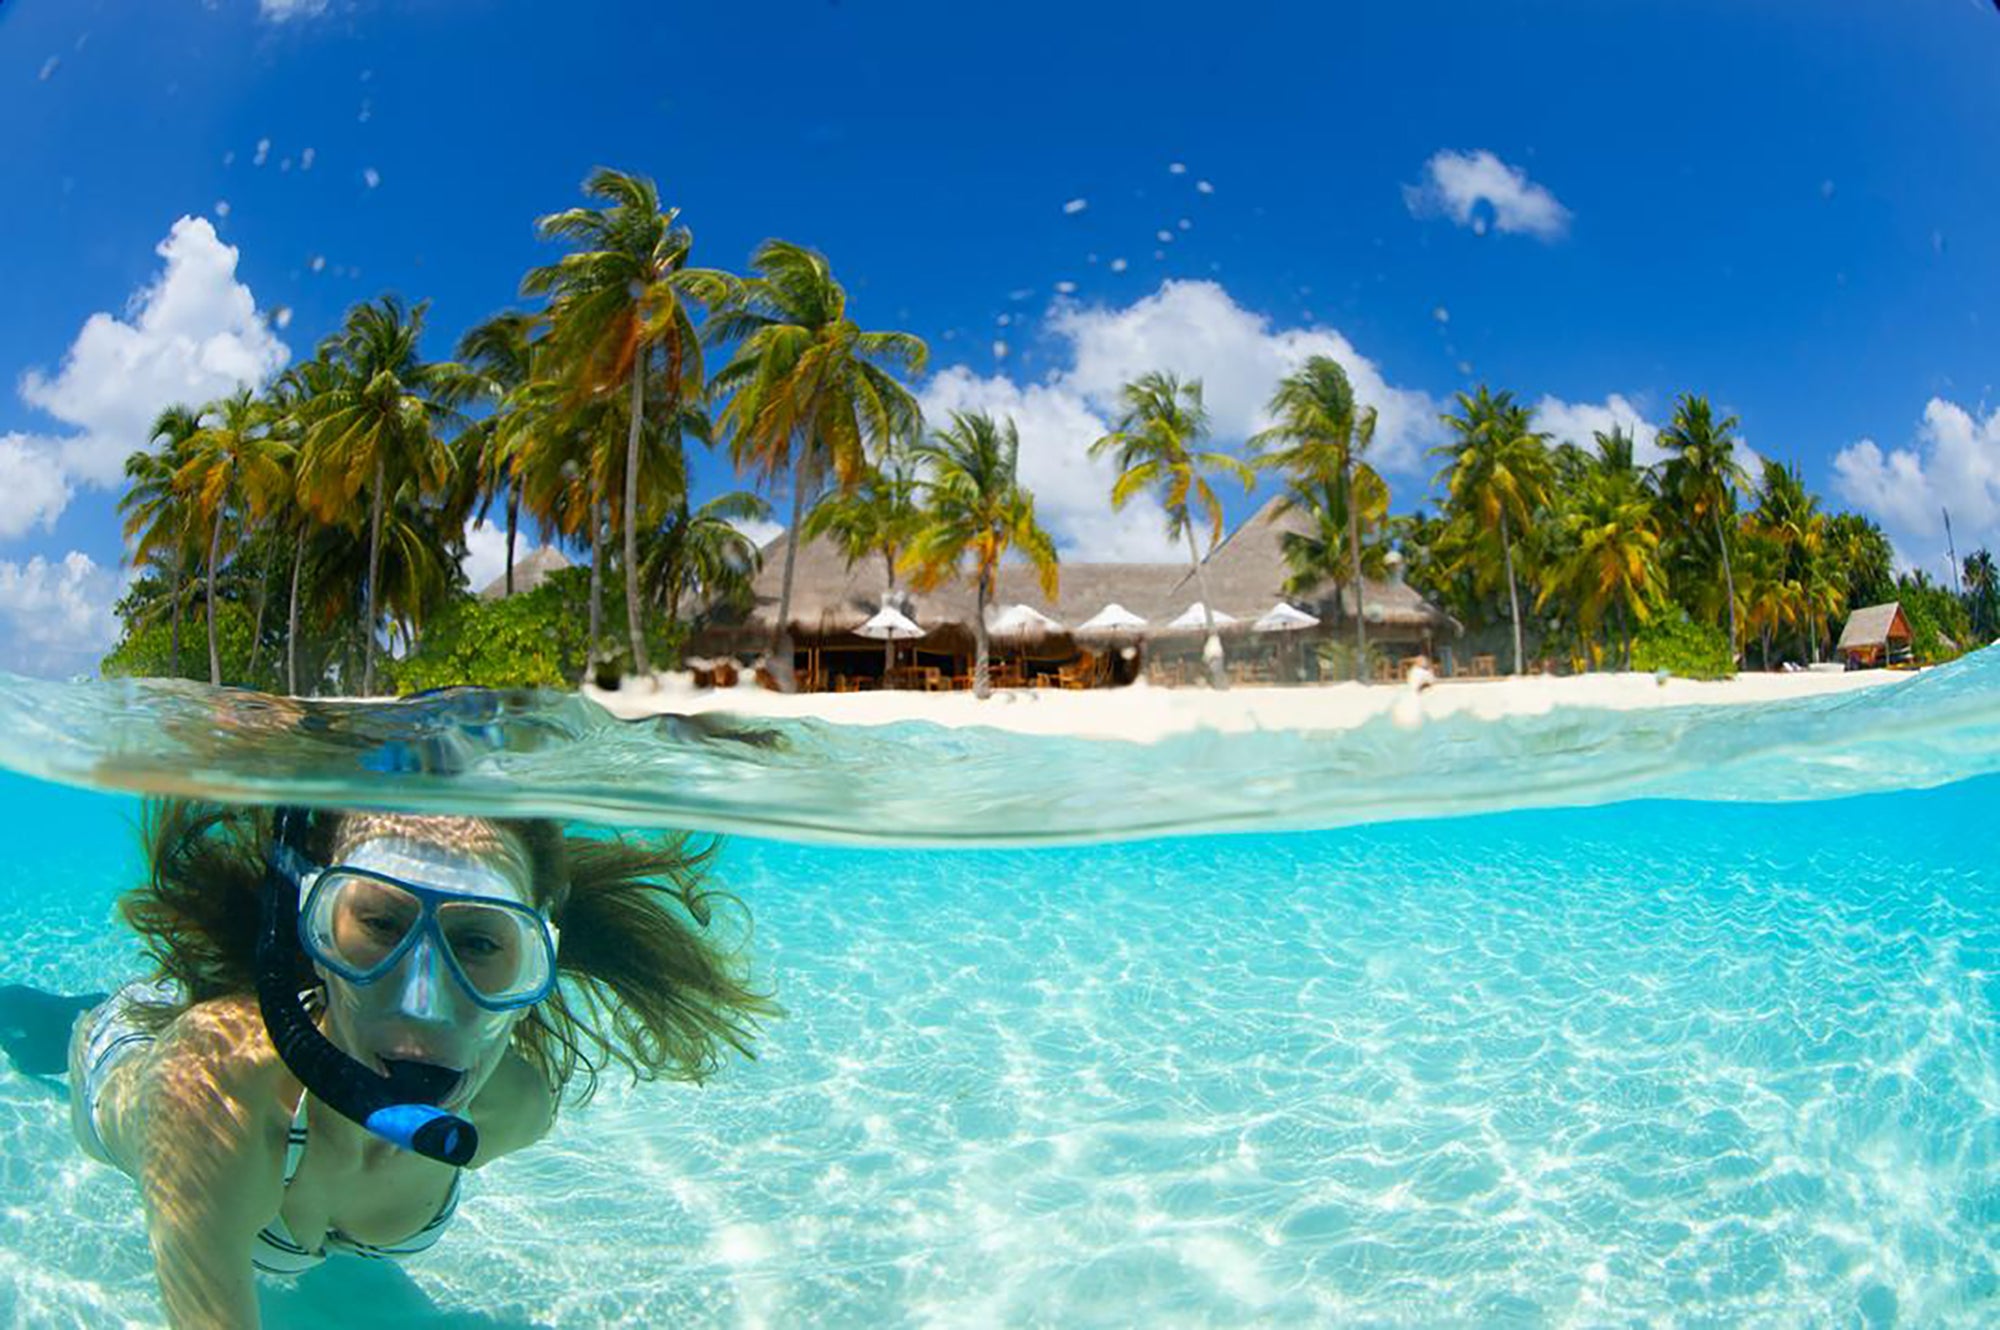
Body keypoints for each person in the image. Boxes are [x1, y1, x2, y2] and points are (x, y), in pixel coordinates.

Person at [67, 799, 778, 1329]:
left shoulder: (517, 1108)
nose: (425, 1004)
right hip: (124, 1059)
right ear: (314, 936)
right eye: (378, 925)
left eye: (478, 945)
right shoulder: (211, 1094)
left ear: (539, 964)